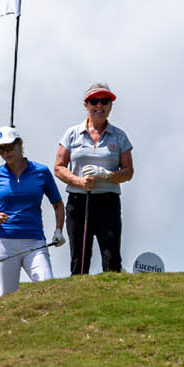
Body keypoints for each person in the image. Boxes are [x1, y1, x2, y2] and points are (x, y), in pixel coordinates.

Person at [53, 82, 134, 274]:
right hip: (79, 200)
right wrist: (79, 181)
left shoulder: (119, 136)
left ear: (110, 105)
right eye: (94, 101)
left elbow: (128, 171)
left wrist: (106, 175)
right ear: (86, 105)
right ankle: (79, 302)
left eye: (104, 101)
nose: (100, 106)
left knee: (111, 256)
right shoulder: (72, 134)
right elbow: (58, 167)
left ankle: (113, 299)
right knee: (79, 258)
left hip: (108, 201)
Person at [0, 126, 65, 297]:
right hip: (4, 242)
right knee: (8, 296)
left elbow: (57, 204)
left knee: (48, 288)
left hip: (35, 241)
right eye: (0, 150)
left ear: (19, 143)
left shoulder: (41, 172)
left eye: (9, 147)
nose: (6, 153)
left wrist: (58, 230)